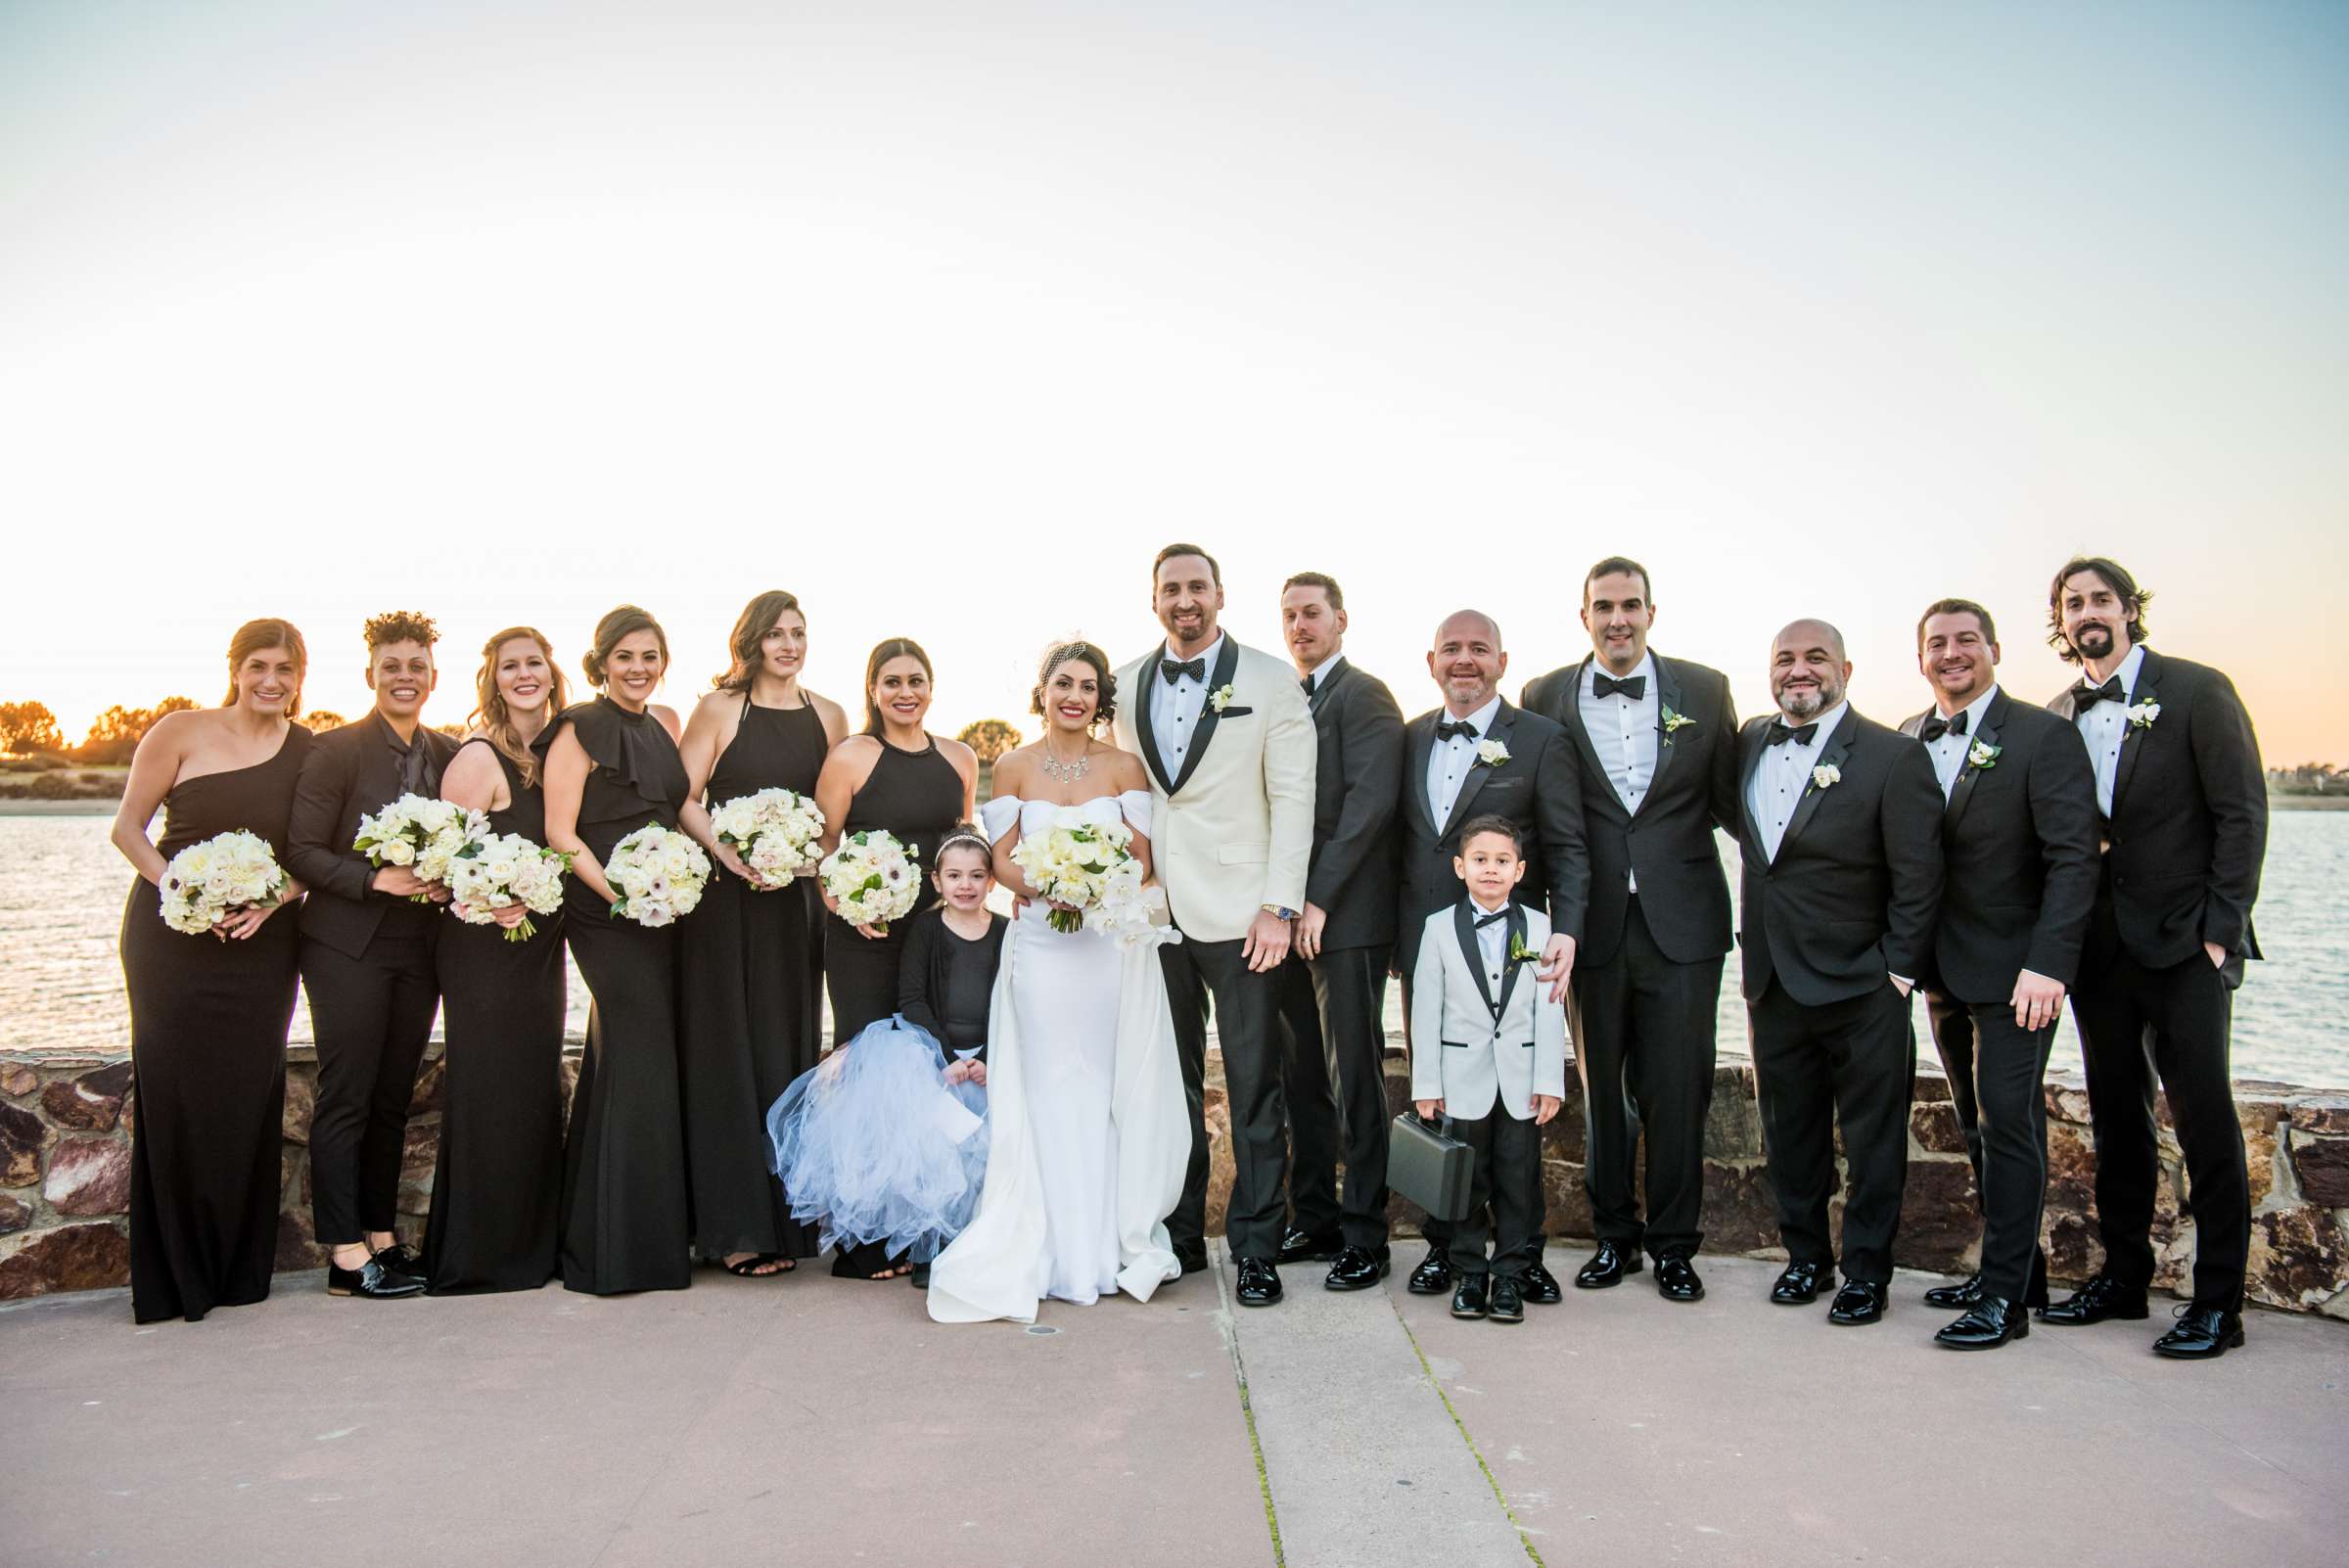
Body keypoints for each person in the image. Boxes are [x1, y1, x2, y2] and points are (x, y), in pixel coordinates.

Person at [2038, 557, 2267, 1359]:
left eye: (2102, 598)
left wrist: (2219, 929)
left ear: (2131, 609)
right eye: (2074, 603)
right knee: (2116, 1118)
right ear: (2060, 623)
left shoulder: (2198, 689)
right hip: (2098, 954)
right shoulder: (2058, 712)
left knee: (2205, 1119)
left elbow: (2241, 812)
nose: (2089, 612)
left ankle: (2218, 1304)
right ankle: (2124, 1279)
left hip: (2184, 947)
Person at [929, 642, 1191, 1323]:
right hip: (1042, 945)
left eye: (1086, 686)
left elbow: (1140, 857)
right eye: (1062, 683)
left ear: (1100, 697)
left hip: (1107, 948)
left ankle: (1105, 1246)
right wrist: (1053, 888)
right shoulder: (1013, 765)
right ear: (1042, 690)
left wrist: (1097, 888)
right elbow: (1003, 860)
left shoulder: (1123, 765)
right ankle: (1045, 1246)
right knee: (1045, 1086)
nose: (1074, 695)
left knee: (1103, 1085)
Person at [1521, 557, 1739, 1304]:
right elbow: (1541, 816)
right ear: (1584, 615)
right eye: (1604, 606)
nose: (1619, 618)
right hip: (1590, 924)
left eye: (1631, 605)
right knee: (1601, 1090)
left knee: (1680, 1092)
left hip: (1685, 924)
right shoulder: (1543, 695)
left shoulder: (1706, 691)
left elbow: (1731, 803)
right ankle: (1615, 1239)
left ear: (1652, 612)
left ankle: (1676, 1247)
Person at [1111, 547, 1316, 1308]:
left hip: (1244, 917)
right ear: (1154, 599)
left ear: (1221, 596)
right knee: (1168, 1083)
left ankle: (1257, 1246)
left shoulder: (1269, 680)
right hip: (1154, 914)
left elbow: (1295, 799)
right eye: (1172, 589)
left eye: (1197, 587)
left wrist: (1280, 906)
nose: (1185, 600)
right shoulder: (1126, 681)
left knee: (1256, 1084)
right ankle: (1181, 1238)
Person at [1898, 598, 2099, 1349]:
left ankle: (2005, 1305)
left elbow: (2073, 858)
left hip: (2020, 976)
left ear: (1995, 650)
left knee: (2010, 1126)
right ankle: (2014, 1274)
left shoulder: (2044, 736)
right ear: (1921, 659)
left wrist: (2049, 963)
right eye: (1937, 644)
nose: (1952, 654)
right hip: (1942, 971)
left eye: (1966, 641)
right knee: (1977, 1129)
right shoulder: (1907, 738)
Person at [1735, 619, 1943, 1326]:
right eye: (1784, 658)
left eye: (1814, 657)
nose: (1799, 670)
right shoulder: (1748, 744)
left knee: (1872, 1140)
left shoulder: (1892, 756)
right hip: (1772, 981)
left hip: (1864, 985)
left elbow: (1921, 876)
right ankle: (1805, 1259)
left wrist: (1899, 974)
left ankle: (1865, 1273)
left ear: (1846, 671)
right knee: (1788, 1133)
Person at [113, 619, 315, 1322]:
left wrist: (272, 899)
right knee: (173, 1092)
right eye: (258, 665)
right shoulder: (178, 731)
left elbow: (313, 858)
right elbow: (127, 830)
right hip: (171, 937)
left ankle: (235, 1271)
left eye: (285, 670)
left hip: (262, 944)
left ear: (300, 678)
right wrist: (184, 889)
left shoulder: (310, 751)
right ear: (235, 668)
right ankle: (172, 1279)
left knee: (244, 1094)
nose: (271, 681)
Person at [1397, 609, 1587, 1307]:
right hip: (1433, 950)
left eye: (1479, 649)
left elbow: (1567, 845)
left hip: (1516, 955)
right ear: (1431, 661)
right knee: (1447, 1115)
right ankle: (1449, 1250)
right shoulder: (1412, 737)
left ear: (1503, 661)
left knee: (1514, 1143)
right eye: (1452, 649)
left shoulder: (1540, 741)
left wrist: (1564, 930)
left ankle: (1519, 1259)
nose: (1465, 660)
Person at [285, 611, 459, 1300]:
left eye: (416, 666)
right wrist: (374, 877)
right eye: (393, 666)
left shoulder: (449, 753)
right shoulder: (334, 751)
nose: (405, 677)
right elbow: (301, 850)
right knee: (349, 1094)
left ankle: (383, 1236)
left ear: (433, 678)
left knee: (393, 1098)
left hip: (420, 946)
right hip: (345, 944)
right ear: (371, 675)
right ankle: (344, 1253)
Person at [676, 590, 849, 1278]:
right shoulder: (721, 709)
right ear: (751, 641)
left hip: (793, 908)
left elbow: (840, 810)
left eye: (798, 633)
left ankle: (785, 1225)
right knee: (728, 1057)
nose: (789, 645)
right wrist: (727, 849)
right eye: (776, 634)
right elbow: (684, 796)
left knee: (787, 1053)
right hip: (725, 906)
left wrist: (811, 859)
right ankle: (734, 1229)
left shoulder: (828, 715)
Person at [810, 637, 978, 1278]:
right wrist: (850, 904)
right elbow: (821, 850)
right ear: (873, 690)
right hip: (863, 938)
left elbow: (962, 846)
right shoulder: (852, 756)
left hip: (933, 937)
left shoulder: (959, 756)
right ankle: (862, 1237)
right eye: (891, 682)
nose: (905, 692)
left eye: (916, 679)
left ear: (930, 687)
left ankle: (917, 1227)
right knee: (869, 1073)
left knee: (926, 1066)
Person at [767, 829, 999, 1279]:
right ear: (936, 882)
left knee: (983, 1147)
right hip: (934, 1051)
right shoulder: (926, 929)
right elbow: (912, 997)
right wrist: (947, 1057)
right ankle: (926, 1246)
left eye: (976, 875)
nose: (965, 885)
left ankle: (970, 1241)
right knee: (931, 1144)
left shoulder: (1006, 932)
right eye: (954, 875)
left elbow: (1010, 998)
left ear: (992, 881)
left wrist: (987, 1055)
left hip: (986, 1053)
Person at [543, 606, 692, 1295]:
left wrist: (720, 857)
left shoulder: (664, 725)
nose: (639, 668)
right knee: (638, 1057)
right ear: (601, 662)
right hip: (607, 912)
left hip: (664, 907)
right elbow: (561, 834)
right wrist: (622, 897)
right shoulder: (578, 728)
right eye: (626, 656)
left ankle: (634, 1238)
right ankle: (616, 1254)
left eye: (650, 656)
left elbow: (681, 806)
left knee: (632, 1060)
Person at [423, 626, 572, 1296]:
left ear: (552, 671)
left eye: (533, 663)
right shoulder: (478, 756)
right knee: (490, 1091)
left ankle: (531, 1249)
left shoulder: (562, 750)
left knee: (533, 1088)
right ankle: (481, 1255)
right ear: (494, 679)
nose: (524, 675)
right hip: (484, 949)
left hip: (540, 950)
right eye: (510, 666)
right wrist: (491, 897)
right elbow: (440, 863)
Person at [1272, 572, 1405, 1291]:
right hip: (1284, 916)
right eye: (1289, 615)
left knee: (1354, 1076)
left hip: (1345, 918)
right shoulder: (1282, 698)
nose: (1300, 625)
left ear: (1341, 620)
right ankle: (1315, 1217)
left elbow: (1370, 804)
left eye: (1312, 613)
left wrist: (1318, 898)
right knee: (1302, 1079)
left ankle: (1365, 1237)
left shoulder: (1364, 695)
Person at [1407, 817, 1567, 1324]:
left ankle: (1510, 1279)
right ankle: (1470, 1274)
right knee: (1467, 1183)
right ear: (1460, 867)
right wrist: (1427, 1084)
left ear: (1519, 870)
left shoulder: (1541, 928)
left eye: (1502, 861)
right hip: (1461, 1080)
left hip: (1520, 1081)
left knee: (1520, 1183)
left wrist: (1548, 1081)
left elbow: (1550, 1009)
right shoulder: (1437, 928)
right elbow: (1425, 1010)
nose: (1491, 870)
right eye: (1480, 860)